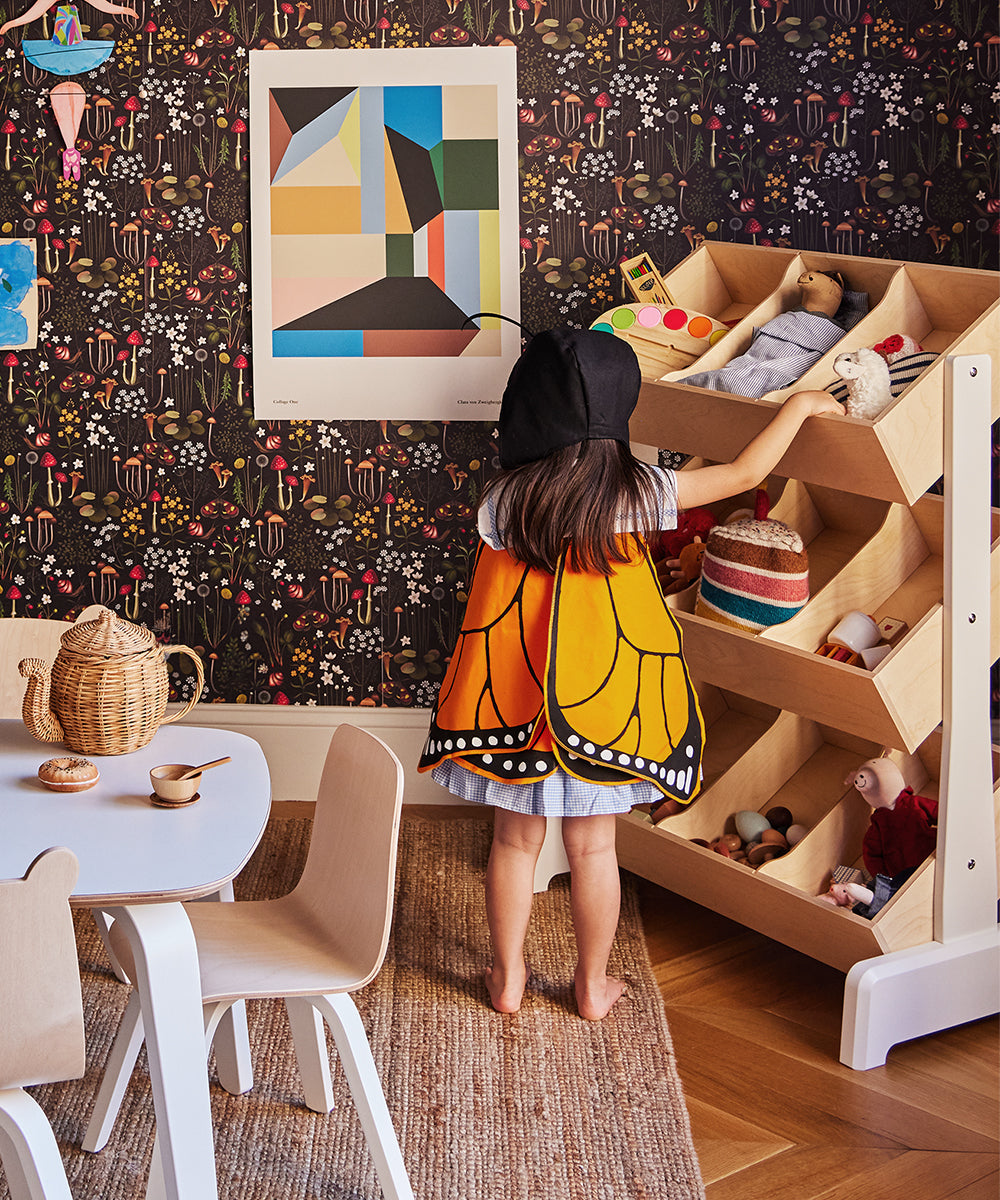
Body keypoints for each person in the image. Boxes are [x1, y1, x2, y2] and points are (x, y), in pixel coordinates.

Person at [419, 326, 841, 1019]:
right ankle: (590, 985)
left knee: (513, 843)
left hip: (515, 711)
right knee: (593, 850)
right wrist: (796, 407)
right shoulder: (637, 491)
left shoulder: (504, 500)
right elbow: (742, 477)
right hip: (605, 708)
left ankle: (509, 978)